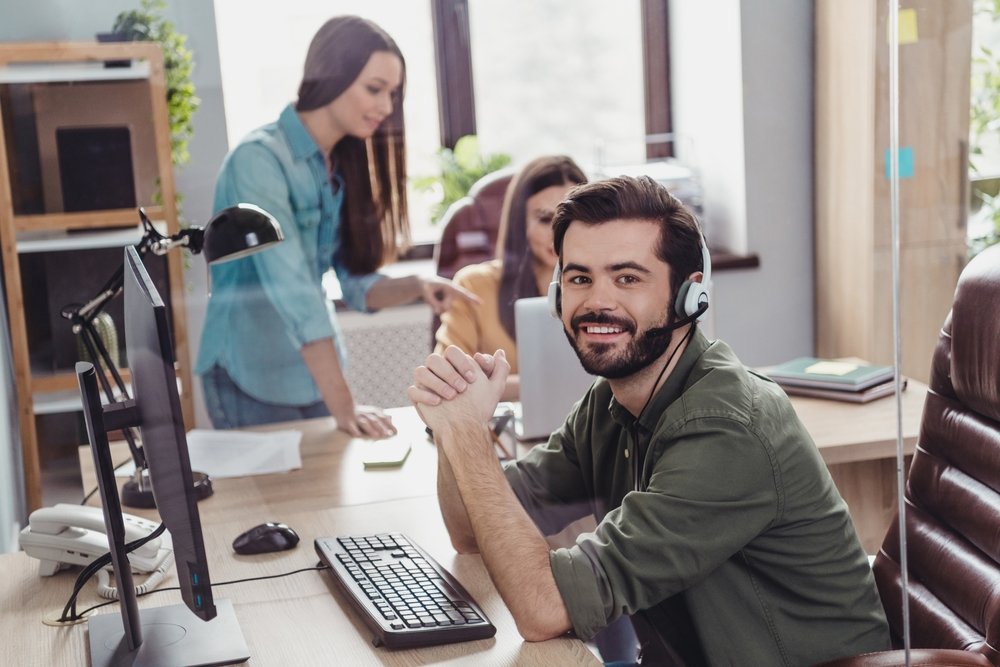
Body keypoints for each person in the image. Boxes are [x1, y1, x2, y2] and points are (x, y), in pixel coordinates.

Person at [408, 176, 891, 665]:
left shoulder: (726, 428)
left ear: (689, 294)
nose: (597, 301)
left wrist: (470, 434)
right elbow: (469, 532)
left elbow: (543, 607)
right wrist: (453, 421)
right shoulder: (611, 403)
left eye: (627, 278)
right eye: (579, 279)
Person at [196, 16, 476, 436]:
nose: (386, 106)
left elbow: (354, 283)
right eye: (374, 89)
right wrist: (346, 406)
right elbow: (296, 294)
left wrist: (417, 285)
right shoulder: (258, 162)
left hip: (310, 377)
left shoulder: (341, 165)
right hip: (248, 376)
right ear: (330, 77)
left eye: (393, 93)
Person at [434, 156, 587, 401]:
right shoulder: (474, 286)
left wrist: (497, 386)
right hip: (505, 432)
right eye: (545, 219)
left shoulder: (602, 288)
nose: (557, 233)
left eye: (569, 219)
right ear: (520, 222)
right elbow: (447, 383)